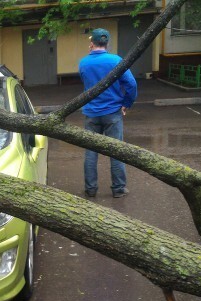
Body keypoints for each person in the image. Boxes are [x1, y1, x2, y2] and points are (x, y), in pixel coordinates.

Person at [78, 28, 137, 198]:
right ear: (107, 43)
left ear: (91, 44)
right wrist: (126, 103)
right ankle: (118, 189)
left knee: (90, 152)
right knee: (115, 151)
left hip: (91, 113)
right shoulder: (116, 60)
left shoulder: (83, 63)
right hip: (113, 113)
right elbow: (132, 85)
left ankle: (91, 189)